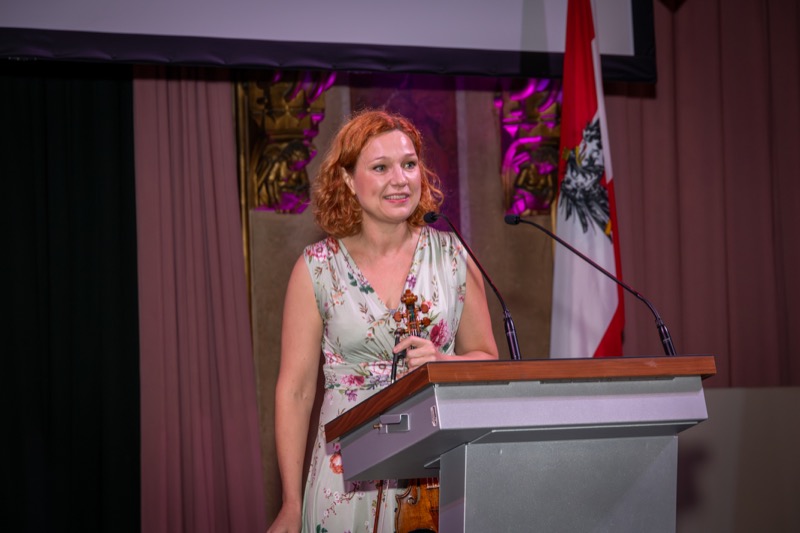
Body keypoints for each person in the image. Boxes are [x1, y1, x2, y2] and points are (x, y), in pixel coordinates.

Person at [267, 109, 499, 533]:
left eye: (409, 164)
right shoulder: (316, 268)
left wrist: (444, 364)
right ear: (348, 180)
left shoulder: (454, 257)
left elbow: (487, 359)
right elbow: (296, 392)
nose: (400, 179)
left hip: (434, 474)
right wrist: (290, 502)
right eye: (380, 168)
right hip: (345, 474)